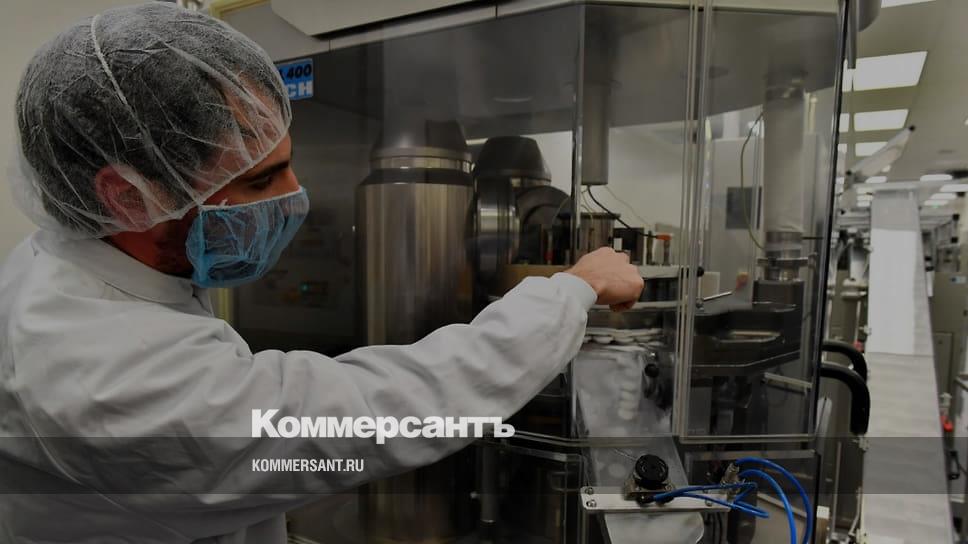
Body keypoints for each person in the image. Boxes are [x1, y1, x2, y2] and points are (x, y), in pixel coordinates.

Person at [0, 4, 643, 543]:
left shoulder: (58, 263)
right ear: (126, 196)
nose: (296, 196)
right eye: (260, 180)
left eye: (287, 162)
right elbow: (377, 413)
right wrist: (572, 290)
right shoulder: (104, 378)